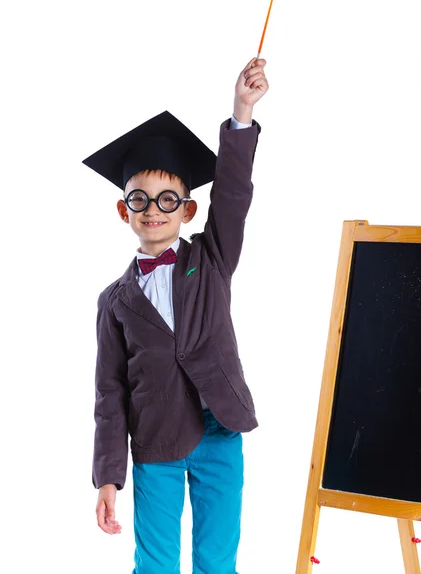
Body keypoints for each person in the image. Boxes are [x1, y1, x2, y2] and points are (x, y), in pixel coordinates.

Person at [82, 57, 269, 574]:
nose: (154, 209)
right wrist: (107, 476)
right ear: (125, 210)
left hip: (220, 431)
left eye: (168, 199)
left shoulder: (211, 260)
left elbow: (232, 196)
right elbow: (110, 393)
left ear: (187, 209)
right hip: (157, 442)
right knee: (157, 562)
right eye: (139, 198)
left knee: (216, 559)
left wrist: (241, 115)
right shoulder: (114, 302)